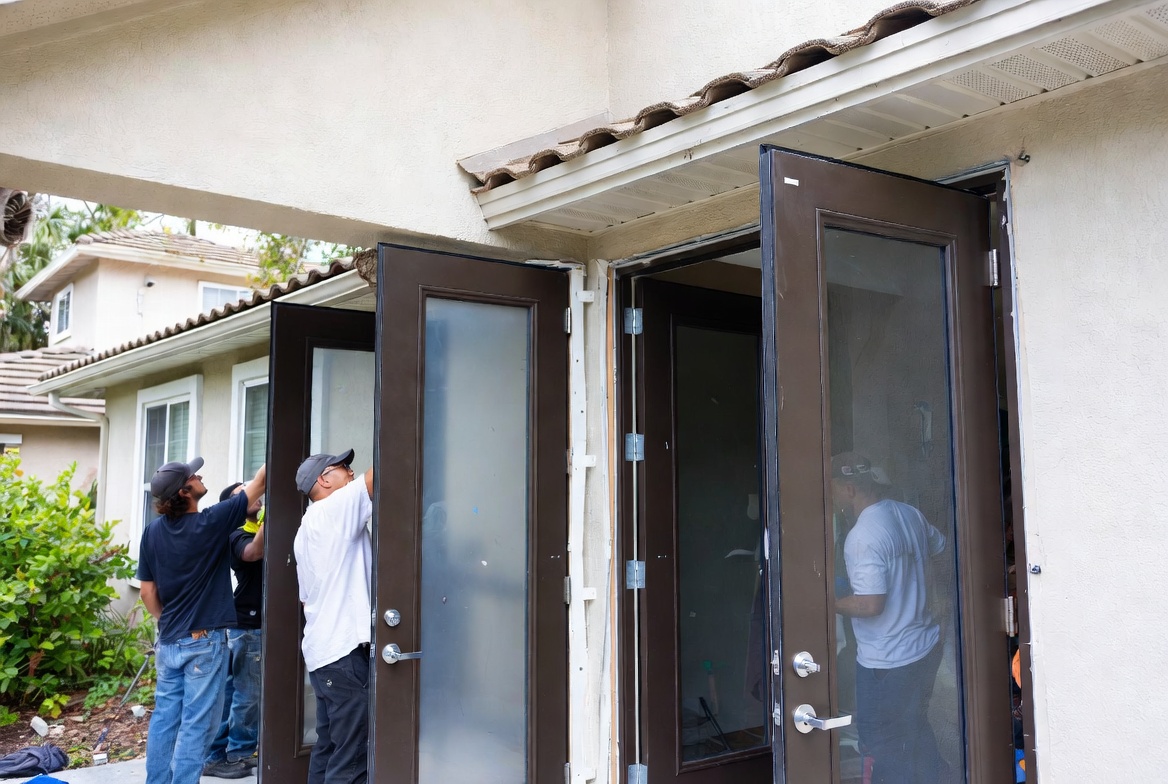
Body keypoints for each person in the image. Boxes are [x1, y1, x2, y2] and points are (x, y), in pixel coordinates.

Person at [138, 458, 266, 784]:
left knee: (165, 719)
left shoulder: (151, 532)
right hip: (203, 643)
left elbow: (147, 592)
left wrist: (167, 622)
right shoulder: (211, 523)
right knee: (197, 724)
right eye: (194, 475)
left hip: (168, 641)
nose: (200, 476)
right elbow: (261, 482)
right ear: (185, 491)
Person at [831, 452, 947, 784]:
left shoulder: (863, 536)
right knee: (914, 724)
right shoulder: (908, 514)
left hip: (888, 659)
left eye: (834, 489)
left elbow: (870, 605)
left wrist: (829, 604)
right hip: (924, 645)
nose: (832, 498)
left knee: (881, 742)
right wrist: (928, 595)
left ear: (850, 490)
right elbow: (940, 549)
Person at [293, 448, 373, 784]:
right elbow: (379, 474)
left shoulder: (306, 527)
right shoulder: (333, 510)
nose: (352, 473)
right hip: (342, 653)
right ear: (324, 479)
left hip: (323, 653)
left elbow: (304, 599)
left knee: (329, 748)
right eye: (344, 468)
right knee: (352, 757)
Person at [203, 482, 266, 779]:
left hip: (249, 624)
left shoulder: (258, 528)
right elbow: (254, 554)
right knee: (246, 693)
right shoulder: (237, 534)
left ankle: (220, 752)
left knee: (234, 692)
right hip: (248, 625)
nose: (254, 494)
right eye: (243, 492)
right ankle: (239, 753)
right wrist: (272, 517)